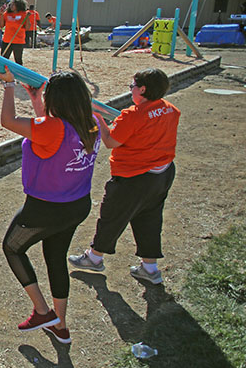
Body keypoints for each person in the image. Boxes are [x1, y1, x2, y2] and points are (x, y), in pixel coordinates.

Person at [0, 67, 101, 344]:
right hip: (76, 204)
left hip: (46, 208)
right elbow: (53, 129)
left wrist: (8, 85)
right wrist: (37, 99)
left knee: (12, 247)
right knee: (55, 258)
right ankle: (60, 325)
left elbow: (9, 121)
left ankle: (42, 311)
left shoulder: (52, 128)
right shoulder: (92, 122)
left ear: (57, 100)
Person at [69, 68, 180, 285]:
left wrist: (98, 118)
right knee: (149, 218)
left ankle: (94, 257)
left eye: (132, 87)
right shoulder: (170, 110)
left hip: (134, 177)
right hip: (162, 173)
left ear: (143, 89)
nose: (131, 91)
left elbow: (111, 141)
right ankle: (149, 267)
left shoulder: (133, 115)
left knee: (112, 216)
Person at [0, 0, 33, 65]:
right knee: (3, 58)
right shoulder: (7, 14)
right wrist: (2, 15)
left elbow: (27, 28)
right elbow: (1, 25)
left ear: (18, 5)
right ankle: (3, 73)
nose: (11, 6)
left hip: (18, 41)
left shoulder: (24, 14)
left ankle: (18, 74)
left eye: (13, 5)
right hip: (7, 40)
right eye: (10, 4)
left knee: (18, 60)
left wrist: (27, 18)